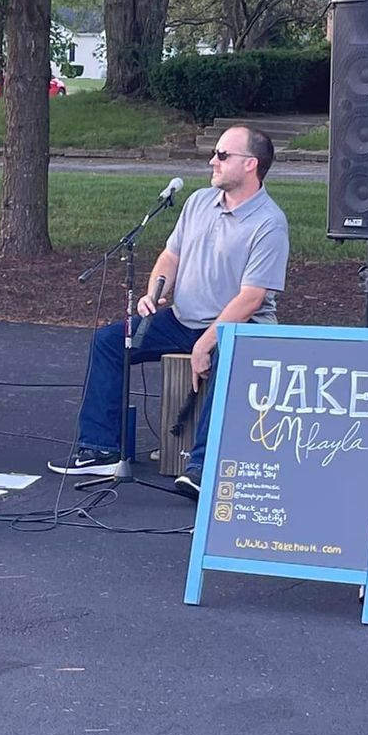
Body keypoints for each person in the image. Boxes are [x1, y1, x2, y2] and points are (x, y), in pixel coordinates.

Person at [54, 124, 289, 498]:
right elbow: (170, 256)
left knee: (232, 361)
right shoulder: (198, 202)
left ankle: (202, 468)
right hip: (183, 318)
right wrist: (154, 292)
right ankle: (100, 448)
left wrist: (206, 344)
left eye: (223, 155)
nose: (213, 160)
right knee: (111, 342)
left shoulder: (270, 223)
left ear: (250, 165)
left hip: (240, 326)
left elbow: (251, 298)